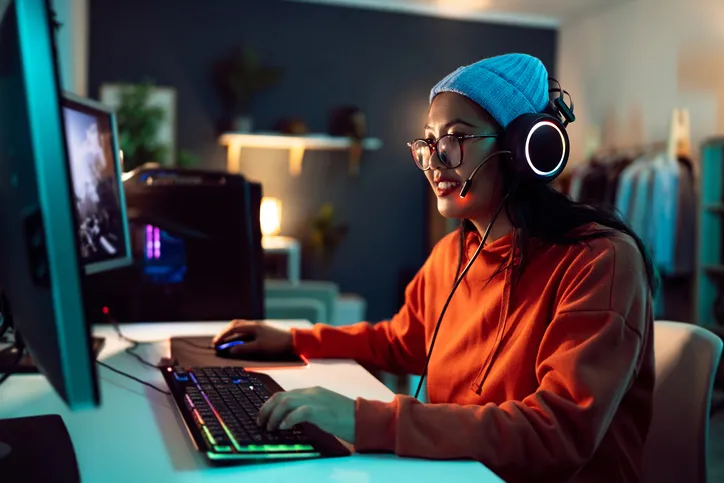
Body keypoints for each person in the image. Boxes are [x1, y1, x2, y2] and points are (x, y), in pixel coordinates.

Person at [213, 53, 656, 483]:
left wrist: (366, 420)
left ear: (524, 148)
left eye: (456, 139)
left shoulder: (600, 261)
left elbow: (554, 434)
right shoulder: (451, 254)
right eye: (428, 142)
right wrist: (294, 338)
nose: (435, 161)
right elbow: (401, 341)